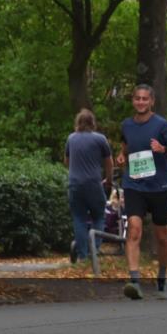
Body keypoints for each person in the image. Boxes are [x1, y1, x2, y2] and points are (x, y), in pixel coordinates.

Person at [116, 84, 167, 300]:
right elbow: (126, 146)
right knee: (134, 229)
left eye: (145, 99)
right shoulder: (126, 125)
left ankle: (162, 279)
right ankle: (134, 282)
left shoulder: (162, 125)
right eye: (137, 98)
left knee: (162, 236)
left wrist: (164, 149)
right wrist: (122, 155)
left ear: (152, 101)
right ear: (133, 101)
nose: (141, 102)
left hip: (159, 186)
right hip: (134, 185)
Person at [64, 109, 113, 263]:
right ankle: (94, 251)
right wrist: (109, 180)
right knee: (99, 215)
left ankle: (82, 257)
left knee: (79, 218)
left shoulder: (71, 138)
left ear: (78, 123)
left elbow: (67, 161)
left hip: (75, 184)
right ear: (92, 123)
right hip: (93, 183)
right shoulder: (100, 139)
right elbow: (109, 163)